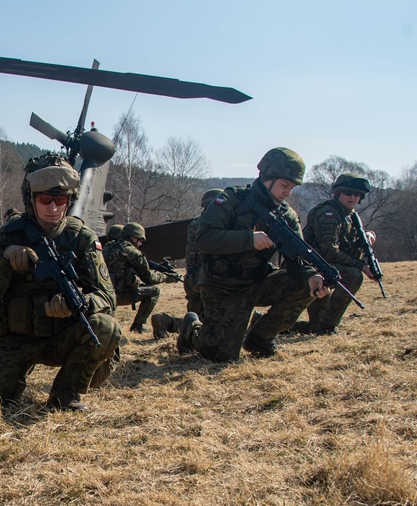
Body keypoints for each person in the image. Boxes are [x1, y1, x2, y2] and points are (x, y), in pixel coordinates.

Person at [0, 156, 121, 418]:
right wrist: (5, 263)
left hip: (64, 339)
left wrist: (77, 302)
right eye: (45, 200)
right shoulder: (9, 236)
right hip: (17, 340)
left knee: (106, 327)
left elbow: (108, 297)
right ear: (30, 199)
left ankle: (65, 392)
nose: (53, 208)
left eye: (62, 200)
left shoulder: (81, 238)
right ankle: (13, 380)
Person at [176, 147, 331, 361]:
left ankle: (260, 337)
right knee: (220, 355)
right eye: (285, 185)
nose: (288, 193)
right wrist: (249, 239)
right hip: (223, 287)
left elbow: (297, 257)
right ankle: (191, 329)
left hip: (259, 282)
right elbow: (205, 238)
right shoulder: (231, 200)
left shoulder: (286, 215)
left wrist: (311, 275)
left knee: (304, 284)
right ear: (267, 178)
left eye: (292, 187)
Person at [296, 173, 376, 335]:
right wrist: (361, 266)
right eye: (347, 192)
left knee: (316, 328)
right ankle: (328, 324)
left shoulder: (350, 215)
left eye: (357, 194)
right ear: (338, 193)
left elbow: (345, 245)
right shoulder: (328, 214)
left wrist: (367, 236)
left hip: (325, 269)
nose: (352, 197)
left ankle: (321, 325)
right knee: (354, 275)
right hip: (308, 271)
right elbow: (330, 252)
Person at [151, 189, 223, 340]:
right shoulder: (214, 225)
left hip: (191, 277)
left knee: (196, 316)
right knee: (214, 321)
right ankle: (174, 326)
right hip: (207, 277)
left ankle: (167, 322)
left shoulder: (194, 224)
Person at [103, 222, 179, 334]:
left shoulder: (106, 248)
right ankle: (138, 326)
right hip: (120, 295)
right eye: (140, 240)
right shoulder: (133, 253)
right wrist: (166, 277)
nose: (140, 243)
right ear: (133, 237)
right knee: (154, 291)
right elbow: (149, 278)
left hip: (102, 293)